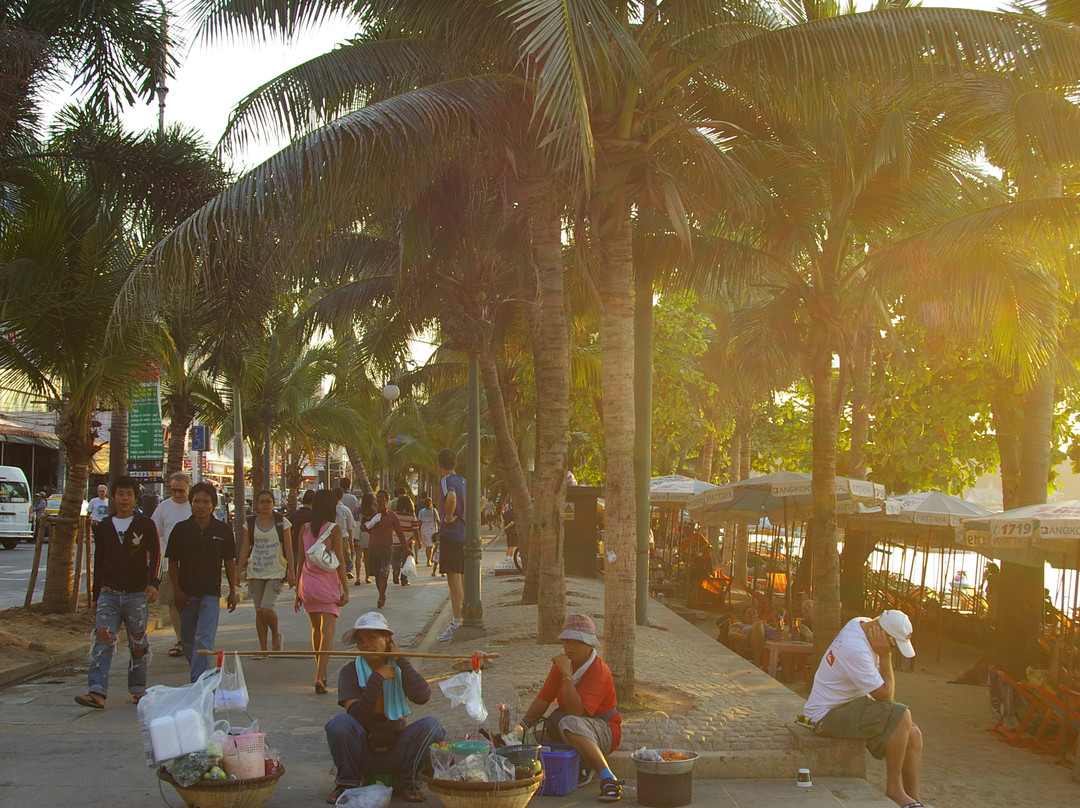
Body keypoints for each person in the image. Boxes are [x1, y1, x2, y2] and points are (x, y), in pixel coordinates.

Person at [799, 610, 923, 808]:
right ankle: (894, 790)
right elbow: (888, 698)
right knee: (902, 714)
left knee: (913, 734)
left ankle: (914, 799)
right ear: (881, 632)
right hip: (826, 715)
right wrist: (885, 656)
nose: (892, 649)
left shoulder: (861, 623)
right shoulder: (855, 649)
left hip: (849, 704)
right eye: (893, 644)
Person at [324, 612, 445, 804]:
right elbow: (357, 716)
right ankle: (347, 783)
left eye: (371, 637)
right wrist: (376, 679)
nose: (365, 644)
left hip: (396, 749)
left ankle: (407, 781)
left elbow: (422, 697)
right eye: (361, 640)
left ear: (387, 639)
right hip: (362, 751)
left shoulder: (398, 668)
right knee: (340, 723)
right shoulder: (349, 671)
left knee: (432, 727)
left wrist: (401, 660)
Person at [75, 475, 160, 708]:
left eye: (129, 495)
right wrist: (95, 596)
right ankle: (97, 692)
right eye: (120, 494)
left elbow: (157, 556)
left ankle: (137, 689)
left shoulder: (145, 525)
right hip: (108, 593)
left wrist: (153, 583)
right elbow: (98, 563)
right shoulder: (103, 528)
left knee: (138, 643)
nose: (124, 499)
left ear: (135, 498)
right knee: (103, 640)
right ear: (112, 497)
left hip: (136, 594)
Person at [520, 613, 623, 802]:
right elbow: (543, 700)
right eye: (566, 641)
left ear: (589, 644)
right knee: (530, 739)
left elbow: (577, 711)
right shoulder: (562, 664)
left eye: (576, 642)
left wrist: (567, 675)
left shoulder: (598, 670)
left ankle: (608, 778)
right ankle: (581, 762)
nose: (569, 647)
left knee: (570, 722)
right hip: (570, 724)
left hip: (604, 728)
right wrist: (520, 730)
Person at [167, 482, 239, 682]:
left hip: (211, 594)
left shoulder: (222, 530)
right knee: (189, 641)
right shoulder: (181, 529)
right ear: (190, 504)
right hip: (186, 594)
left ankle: (199, 682)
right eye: (196, 501)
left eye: (205, 502)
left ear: (213, 505)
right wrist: (177, 590)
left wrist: (232, 591)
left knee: (204, 638)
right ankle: (203, 675)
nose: (200, 505)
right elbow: (173, 562)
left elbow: (229, 561)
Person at [295, 489, 350, 694]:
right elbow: (341, 562)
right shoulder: (334, 529)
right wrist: (345, 588)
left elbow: (300, 561)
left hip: (308, 585)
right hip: (327, 585)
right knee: (328, 632)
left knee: (315, 630)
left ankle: (321, 671)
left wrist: (297, 592)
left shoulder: (304, 529)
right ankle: (319, 674)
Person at [238, 489, 296, 656]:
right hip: (255, 571)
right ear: (256, 504)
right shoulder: (250, 523)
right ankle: (263, 648)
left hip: (275, 570)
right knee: (258, 612)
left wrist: (291, 571)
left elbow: (288, 548)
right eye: (262, 502)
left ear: (273, 503)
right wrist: (237, 570)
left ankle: (276, 634)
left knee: (266, 607)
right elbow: (245, 547)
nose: (265, 505)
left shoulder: (281, 522)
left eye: (268, 502)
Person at [152, 473, 192, 659]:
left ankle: (193, 638)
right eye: (173, 490)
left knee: (194, 602)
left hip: (194, 565)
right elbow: (154, 535)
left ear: (188, 488)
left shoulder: (196, 506)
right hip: (170, 565)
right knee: (173, 603)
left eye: (181, 490)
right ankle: (180, 640)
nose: (177, 494)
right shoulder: (163, 508)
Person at [435, 448, 466, 642]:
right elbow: (481, 500)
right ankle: (461, 618)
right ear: (455, 464)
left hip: (451, 534)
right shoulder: (464, 481)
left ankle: (457, 621)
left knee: (453, 581)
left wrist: (447, 516)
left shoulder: (447, 481)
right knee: (461, 578)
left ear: (439, 465)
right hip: (463, 534)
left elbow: (451, 498)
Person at [364, 490, 408, 609]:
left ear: (387, 502)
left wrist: (406, 547)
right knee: (377, 576)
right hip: (373, 548)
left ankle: (381, 596)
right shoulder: (372, 514)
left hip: (386, 550)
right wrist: (369, 523)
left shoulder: (392, 516)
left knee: (383, 574)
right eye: (378, 503)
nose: (381, 506)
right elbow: (364, 528)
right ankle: (381, 593)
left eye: (383, 503)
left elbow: (400, 532)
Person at [392, 490, 418, 586]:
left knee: (395, 559)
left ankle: (395, 571)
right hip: (407, 541)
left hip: (395, 540)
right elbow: (415, 529)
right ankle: (404, 579)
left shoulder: (395, 515)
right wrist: (418, 540)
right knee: (405, 560)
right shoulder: (411, 516)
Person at [334, 487, 357, 579]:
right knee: (345, 557)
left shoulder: (329, 509)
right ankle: (348, 570)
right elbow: (350, 527)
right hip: (344, 537)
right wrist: (351, 541)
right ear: (342, 496)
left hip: (331, 537)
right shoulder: (345, 510)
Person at [289, 489, 314, 569]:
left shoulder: (295, 515)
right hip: (310, 546)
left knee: (297, 566)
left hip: (296, 544)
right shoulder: (314, 516)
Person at [355, 491, 375, 585]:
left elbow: (354, 521)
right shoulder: (373, 511)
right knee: (367, 558)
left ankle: (358, 577)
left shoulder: (357, 509)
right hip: (369, 534)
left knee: (358, 557)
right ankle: (367, 577)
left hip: (359, 533)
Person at [416, 496, 439, 567]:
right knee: (431, 545)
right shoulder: (434, 510)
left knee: (428, 545)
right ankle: (429, 559)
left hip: (424, 528)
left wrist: (418, 531)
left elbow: (419, 522)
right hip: (431, 527)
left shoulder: (421, 511)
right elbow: (438, 520)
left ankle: (428, 559)